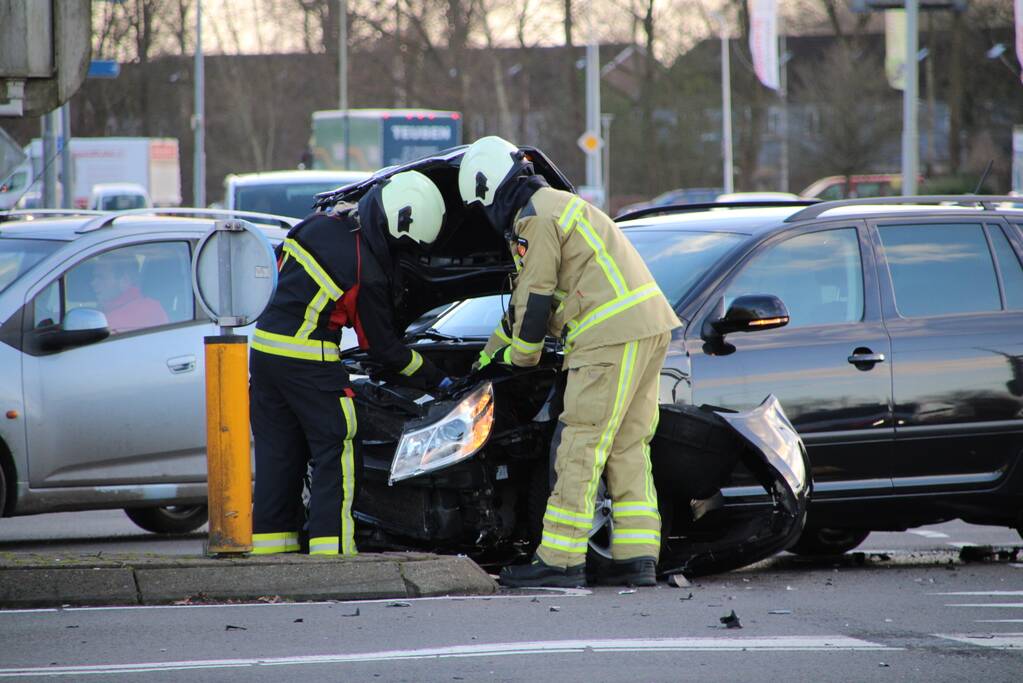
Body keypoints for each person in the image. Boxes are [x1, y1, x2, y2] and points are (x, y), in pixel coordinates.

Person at [458, 136, 681, 587]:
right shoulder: (557, 205)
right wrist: (485, 358)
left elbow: (536, 297)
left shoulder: (534, 219)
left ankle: (559, 561)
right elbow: (521, 308)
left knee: (580, 444)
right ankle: (636, 556)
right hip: (647, 326)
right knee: (627, 445)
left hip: (608, 336)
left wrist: (521, 357)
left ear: (488, 189)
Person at [250, 170, 453, 556]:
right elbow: (383, 349)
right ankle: (334, 551)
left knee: (279, 453)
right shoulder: (367, 269)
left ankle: (271, 551)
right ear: (399, 229)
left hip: (263, 354)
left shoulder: (318, 223)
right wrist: (436, 379)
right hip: (308, 359)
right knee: (337, 445)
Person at [90, 253, 168, 333]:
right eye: (94, 277)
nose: (93, 283)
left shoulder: (145, 310)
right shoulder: (153, 307)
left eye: (101, 277)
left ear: (124, 280)